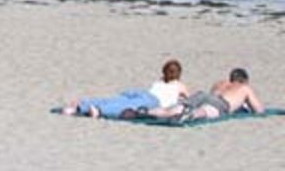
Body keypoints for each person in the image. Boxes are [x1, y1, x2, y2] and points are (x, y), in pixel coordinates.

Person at [61, 59, 190, 118]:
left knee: (115, 100)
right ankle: (99, 111)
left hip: (141, 92)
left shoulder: (160, 81)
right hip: (153, 101)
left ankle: (79, 106)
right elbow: (189, 101)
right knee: (125, 106)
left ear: (164, 72)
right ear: (179, 74)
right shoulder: (180, 85)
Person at [148, 68, 265, 122]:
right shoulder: (245, 88)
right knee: (204, 111)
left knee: (177, 108)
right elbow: (259, 110)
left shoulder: (220, 83)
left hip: (204, 95)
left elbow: (211, 96)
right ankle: (190, 115)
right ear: (244, 80)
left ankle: (148, 112)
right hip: (221, 103)